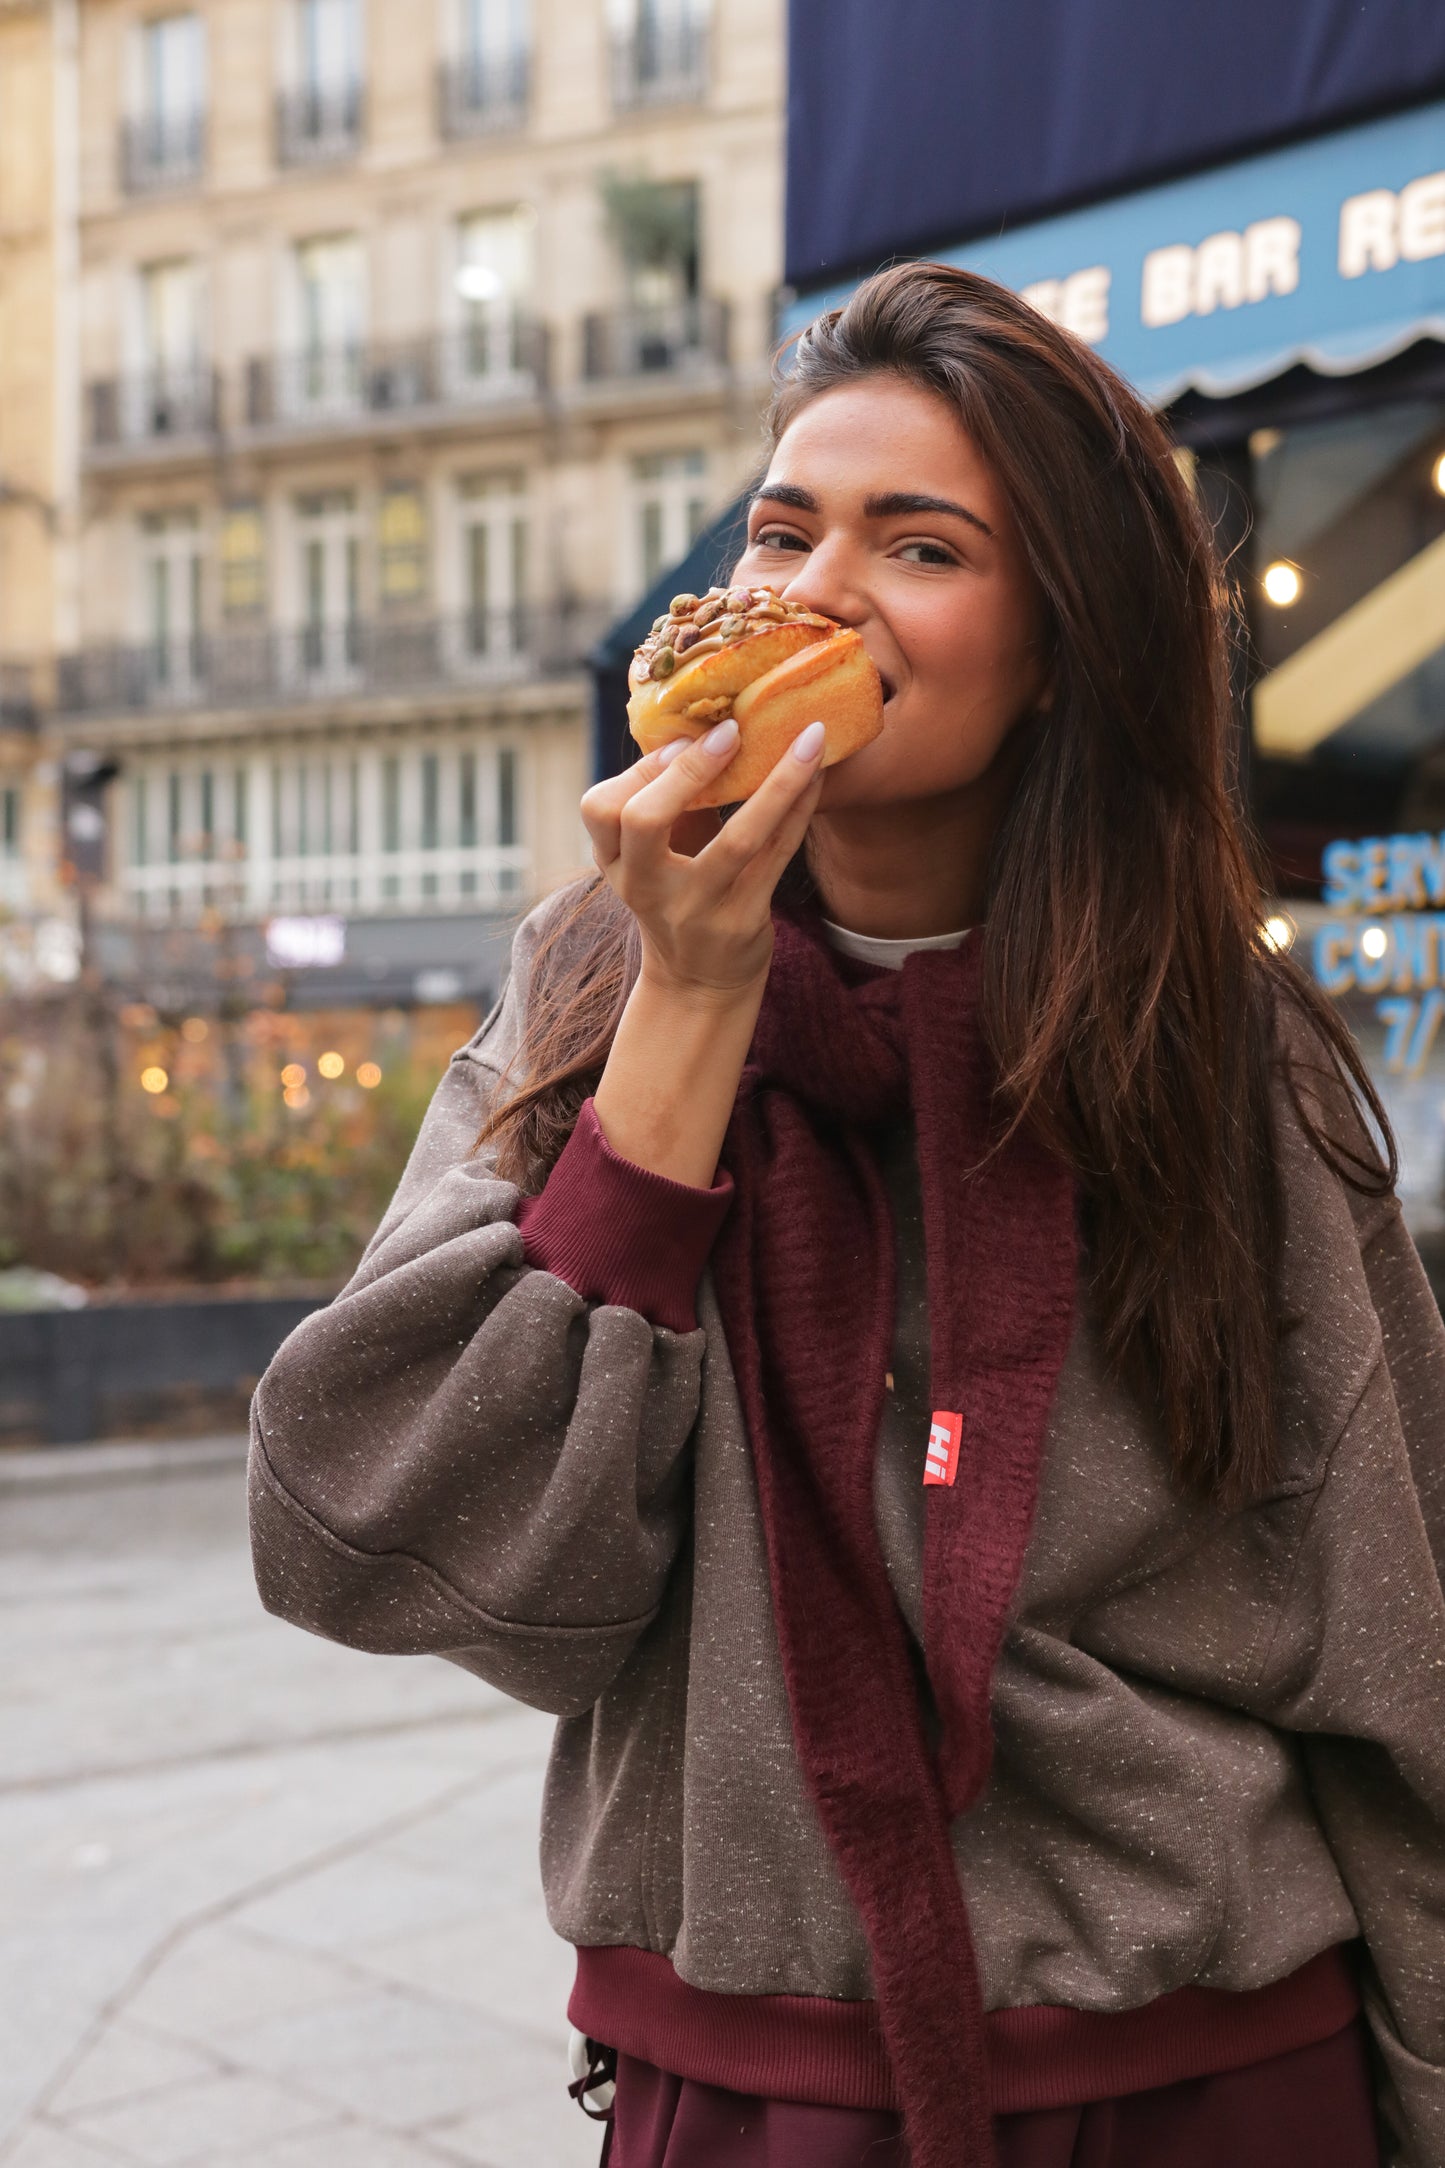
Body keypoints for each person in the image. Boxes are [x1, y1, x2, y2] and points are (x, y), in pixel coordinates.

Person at [248, 264, 1445, 2168]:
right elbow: (380, 1527)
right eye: (783, 526)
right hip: (755, 2085)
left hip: (1208, 2074)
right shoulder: (584, 987)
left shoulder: (1217, 1052)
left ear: (1055, 642)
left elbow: (1398, 1632)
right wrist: (688, 1003)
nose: (808, 592)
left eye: (920, 545)